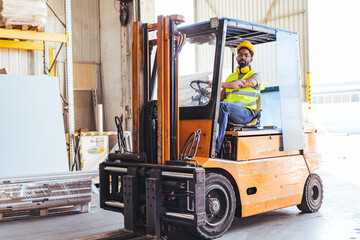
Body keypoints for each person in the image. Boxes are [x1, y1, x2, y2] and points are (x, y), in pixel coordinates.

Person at [215, 41, 265, 155]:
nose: (242, 57)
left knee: (223, 107)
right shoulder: (231, 77)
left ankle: (215, 150)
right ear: (237, 57)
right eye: (240, 54)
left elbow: (243, 83)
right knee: (213, 107)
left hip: (246, 113)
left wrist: (218, 83)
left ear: (251, 59)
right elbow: (221, 97)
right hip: (230, 111)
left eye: (246, 55)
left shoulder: (255, 75)